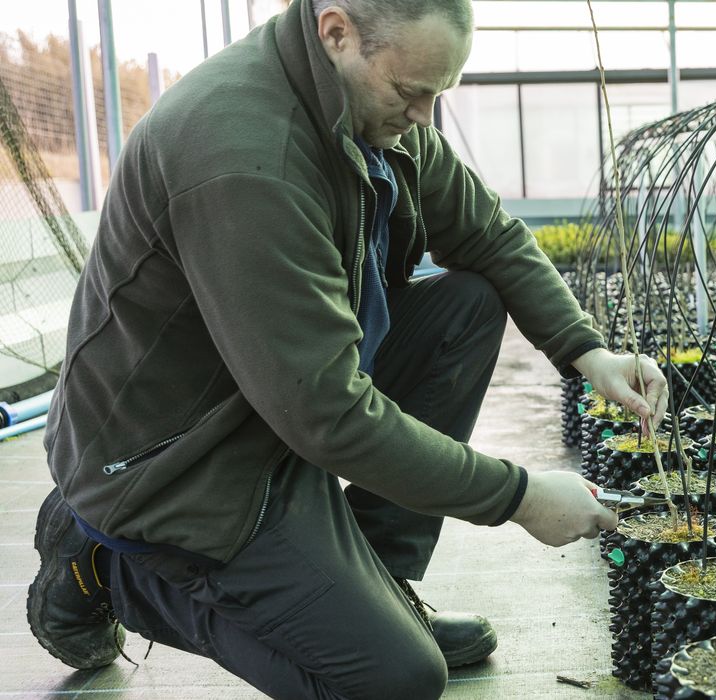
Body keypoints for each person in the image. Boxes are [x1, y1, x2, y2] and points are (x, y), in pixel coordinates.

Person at [26, 0, 667, 697]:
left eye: (436, 93)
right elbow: (327, 415)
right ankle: (109, 569)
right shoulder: (243, 156)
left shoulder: (368, 113)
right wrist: (518, 497)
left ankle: (382, 584)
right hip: (174, 460)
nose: (424, 116)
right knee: (391, 680)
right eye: (409, 92)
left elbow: (488, 235)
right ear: (337, 34)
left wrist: (587, 353)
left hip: (269, 398)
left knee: (465, 306)